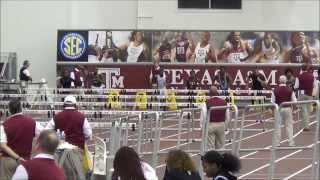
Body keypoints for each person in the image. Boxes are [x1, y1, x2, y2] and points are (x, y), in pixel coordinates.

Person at [45, 95, 92, 178]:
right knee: (78, 174)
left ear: (64, 105)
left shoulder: (56, 117)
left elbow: (46, 132)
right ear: (75, 105)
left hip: (60, 153)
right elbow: (88, 134)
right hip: (77, 152)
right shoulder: (81, 117)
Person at [0, 99, 43, 180]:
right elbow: (46, 135)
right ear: (21, 108)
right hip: (26, 160)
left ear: (9, 110)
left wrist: (17, 158)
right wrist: (35, 149)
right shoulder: (32, 122)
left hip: (9, 160)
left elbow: (3, 146)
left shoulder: (4, 125)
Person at [271, 76, 297, 146]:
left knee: (277, 126)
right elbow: (294, 101)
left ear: (279, 81)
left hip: (278, 109)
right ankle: (291, 142)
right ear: (286, 81)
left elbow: (272, 102)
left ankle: (277, 143)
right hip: (288, 108)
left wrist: (272, 112)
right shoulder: (290, 90)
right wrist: (294, 109)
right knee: (289, 126)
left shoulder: (275, 90)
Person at [294, 64, 317, 131]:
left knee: (303, 110)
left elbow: (296, 86)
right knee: (308, 110)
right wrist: (313, 94)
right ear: (307, 69)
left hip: (301, 94)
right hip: (310, 94)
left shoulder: (299, 76)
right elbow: (315, 86)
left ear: (301, 69)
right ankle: (306, 125)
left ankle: (306, 126)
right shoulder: (312, 76)